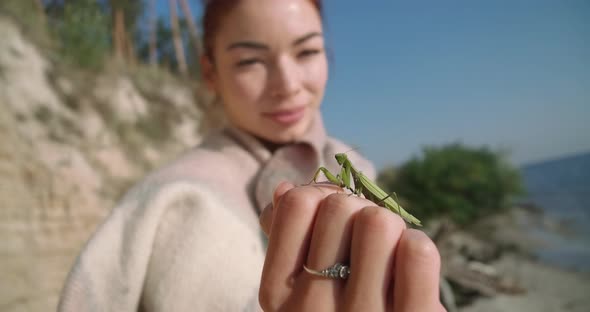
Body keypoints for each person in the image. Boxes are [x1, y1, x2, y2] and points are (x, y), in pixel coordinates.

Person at [58, 0, 445, 311]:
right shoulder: (167, 200)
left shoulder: (356, 165)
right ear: (210, 74)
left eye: (307, 51)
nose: (287, 85)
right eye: (251, 61)